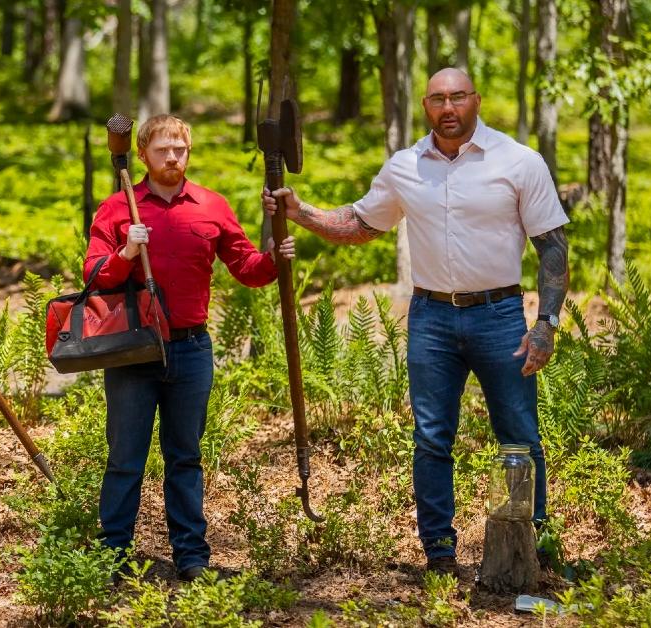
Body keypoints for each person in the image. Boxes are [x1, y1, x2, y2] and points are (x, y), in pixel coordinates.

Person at [263, 68, 570, 577]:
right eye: (437, 100)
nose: (447, 108)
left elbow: (552, 247)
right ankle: (439, 553)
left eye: (457, 97)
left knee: (519, 435)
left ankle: (530, 546)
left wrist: (547, 323)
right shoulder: (405, 167)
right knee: (431, 436)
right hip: (431, 318)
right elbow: (361, 225)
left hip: (500, 316)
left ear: (476, 99)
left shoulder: (519, 161)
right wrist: (300, 212)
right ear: (425, 106)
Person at [85, 114, 295, 582]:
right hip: (134, 350)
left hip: (191, 349)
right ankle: (113, 554)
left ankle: (191, 557)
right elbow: (93, 279)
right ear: (142, 155)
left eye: (180, 148)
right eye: (163, 149)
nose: (173, 157)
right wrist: (124, 254)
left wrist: (276, 256)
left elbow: (247, 267)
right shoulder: (117, 209)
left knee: (185, 455)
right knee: (125, 456)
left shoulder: (210, 205)